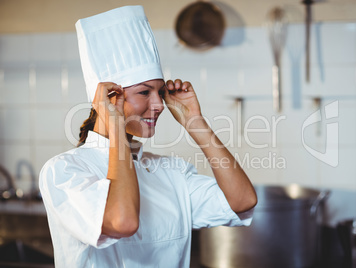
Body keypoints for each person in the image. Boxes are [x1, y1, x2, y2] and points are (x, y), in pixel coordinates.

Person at [39, 5, 257, 268]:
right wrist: (116, 126)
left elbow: (242, 201)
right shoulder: (64, 171)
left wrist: (195, 122)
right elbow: (123, 222)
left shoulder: (170, 172)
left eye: (161, 92)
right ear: (107, 99)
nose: (160, 105)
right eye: (145, 93)